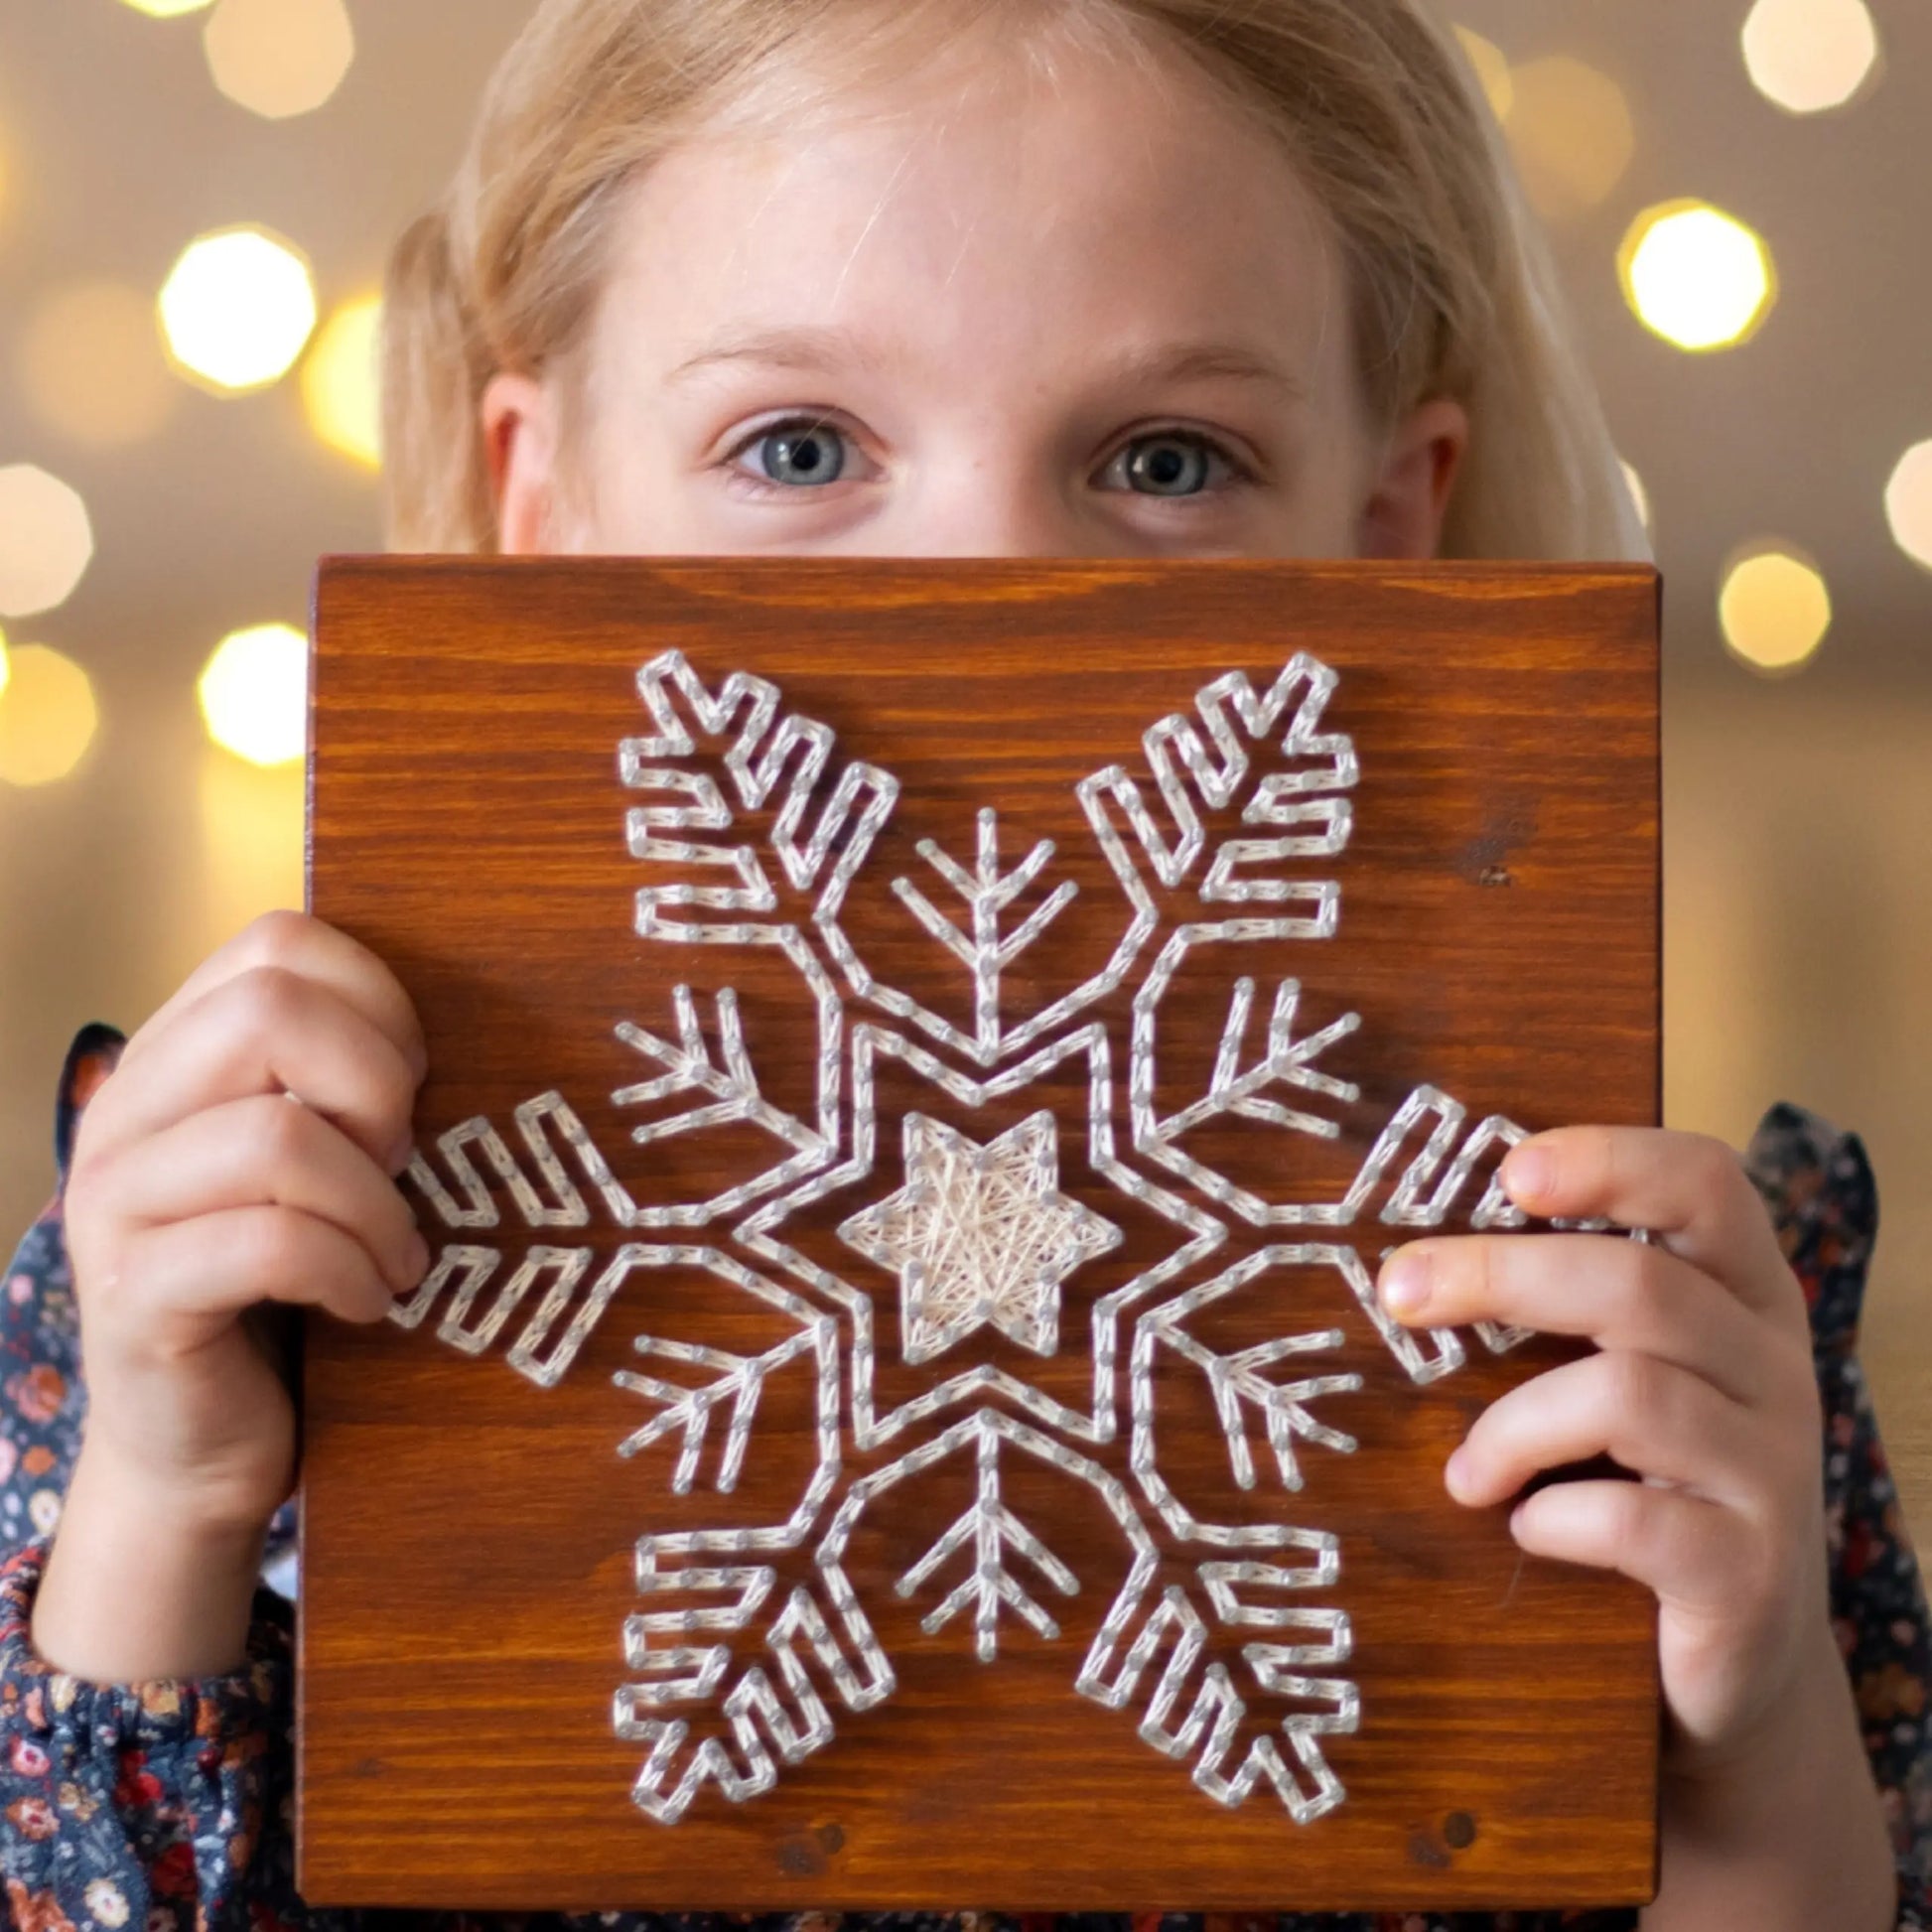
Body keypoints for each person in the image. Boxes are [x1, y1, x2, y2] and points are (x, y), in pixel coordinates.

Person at [0, 0, 1924, 1926]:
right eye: (801, 442)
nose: (988, 577)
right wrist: (163, 1506)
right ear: (543, 502)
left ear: (1388, 521)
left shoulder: (1643, 1342)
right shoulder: (237, 1274)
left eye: (1165, 458)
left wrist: (1748, 1755)